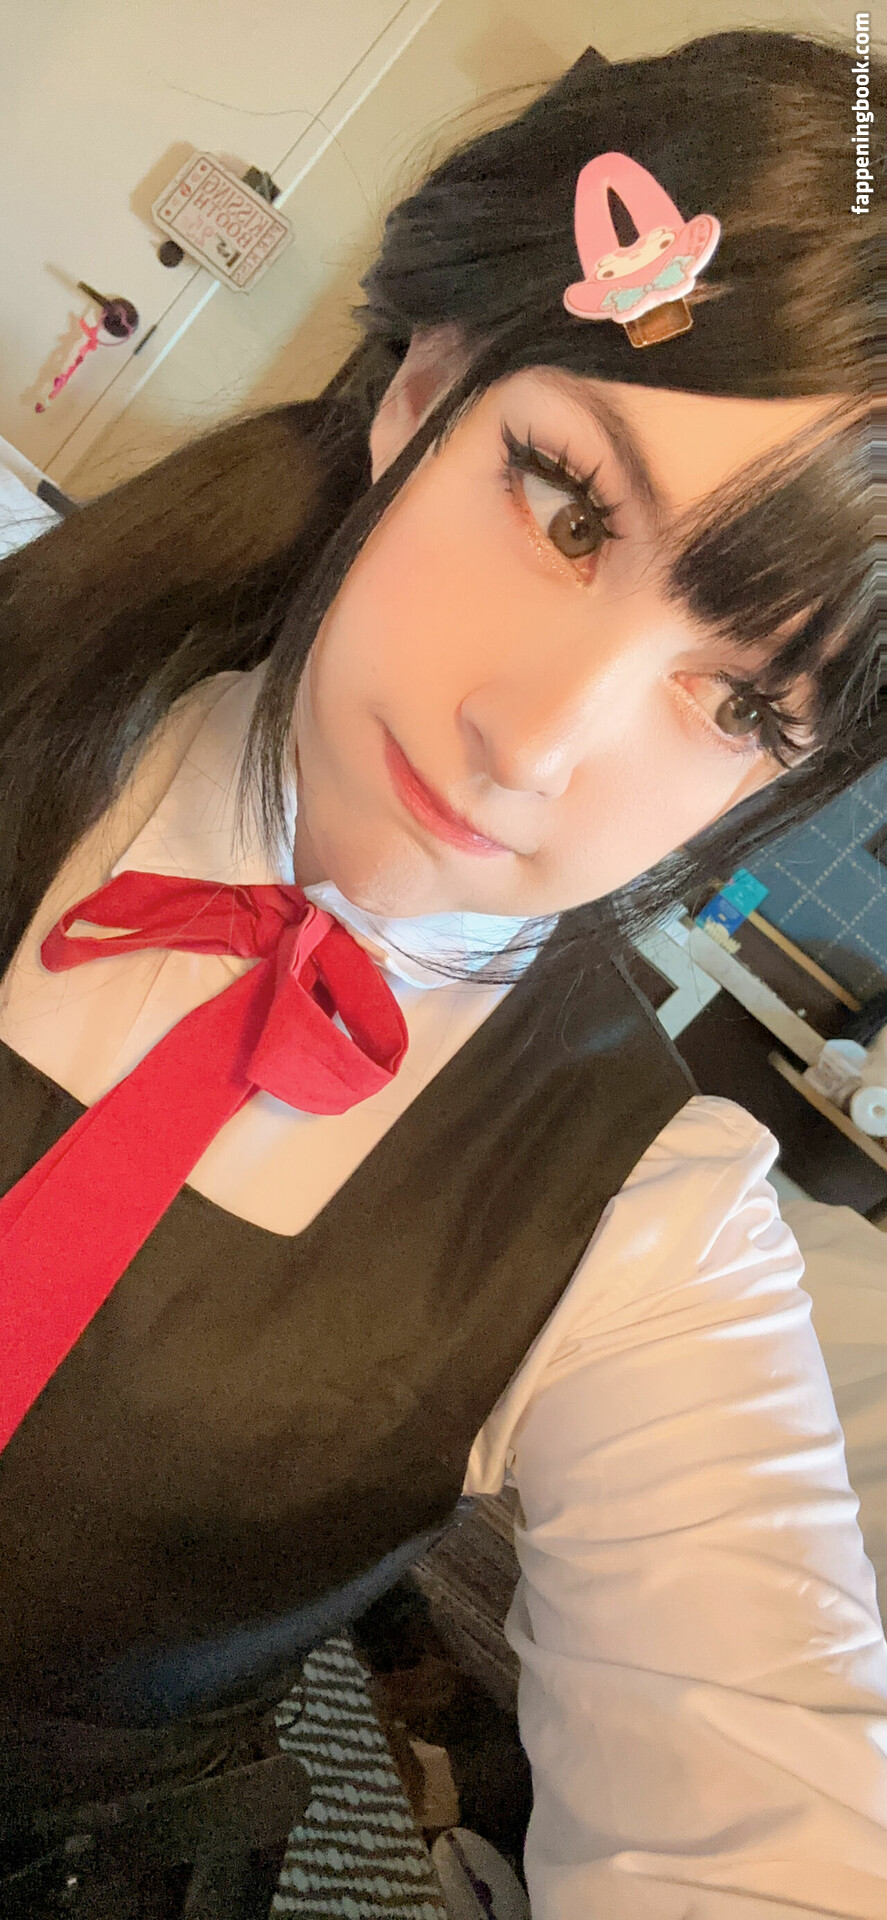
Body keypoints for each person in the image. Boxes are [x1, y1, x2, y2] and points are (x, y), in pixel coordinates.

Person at [0, 26, 885, 1918]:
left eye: (742, 704)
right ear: (425, 379)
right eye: (566, 508)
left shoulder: (651, 1226)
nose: (533, 746)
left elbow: (768, 1810)